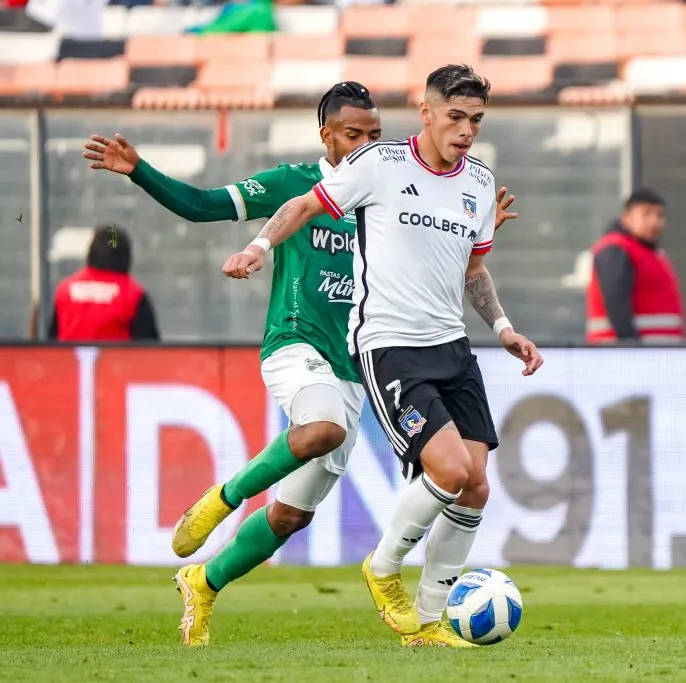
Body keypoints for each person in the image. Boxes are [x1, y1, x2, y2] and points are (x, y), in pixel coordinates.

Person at [82, 81, 519, 648]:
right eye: (353, 134)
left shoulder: (392, 185)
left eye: (374, 134)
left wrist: (467, 236)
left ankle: (203, 581)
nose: (364, 143)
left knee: (291, 517)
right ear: (327, 135)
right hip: (295, 344)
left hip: (354, 367)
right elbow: (204, 205)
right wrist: (141, 172)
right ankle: (223, 499)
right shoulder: (298, 184)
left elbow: (442, 255)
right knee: (322, 428)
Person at [222, 64, 543, 648]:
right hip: (391, 346)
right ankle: (383, 565)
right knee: (449, 470)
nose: (466, 130)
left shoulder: (477, 182)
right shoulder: (380, 165)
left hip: (454, 348)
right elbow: (303, 207)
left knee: (476, 487)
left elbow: (474, 270)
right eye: (455, 117)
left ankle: (426, 621)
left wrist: (503, 327)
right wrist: (259, 245)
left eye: (475, 120)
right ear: (426, 113)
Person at [585, 189, 685, 344]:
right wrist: (632, 346)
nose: (654, 222)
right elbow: (615, 299)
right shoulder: (616, 249)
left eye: (659, 215)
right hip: (623, 358)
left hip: (652, 356)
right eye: (646, 214)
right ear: (627, 218)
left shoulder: (648, 252)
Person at [48, 224, 160, 341]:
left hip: (70, 359)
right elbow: (150, 349)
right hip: (118, 359)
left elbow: (52, 342)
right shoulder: (132, 295)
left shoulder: (65, 290)